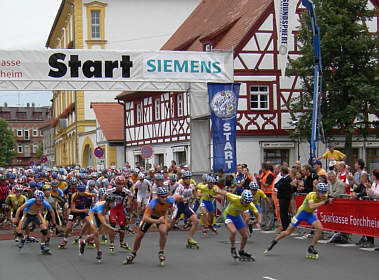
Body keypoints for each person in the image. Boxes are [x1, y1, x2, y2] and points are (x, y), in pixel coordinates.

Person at [264, 183, 332, 259]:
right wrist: (324, 202)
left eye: (325, 192)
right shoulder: (311, 195)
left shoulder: (325, 196)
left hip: (309, 215)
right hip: (301, 213)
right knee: (288, 232)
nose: (324, 194)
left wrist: (331, 200)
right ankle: (274, 241)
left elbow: (331, 198)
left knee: (320, 228)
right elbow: (312, 206)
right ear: (317, 191)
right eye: (322, 192)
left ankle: (311, 247)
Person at [123, 186, 182, 266]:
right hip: (150, 217)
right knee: (139, 235)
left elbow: (177, 196)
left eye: (166, 196)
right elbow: (145, 218)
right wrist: (157, 221)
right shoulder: (153, 203)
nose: (165, 198)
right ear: (158, 197)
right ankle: (133, 253)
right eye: (162, 197)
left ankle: (161, 252)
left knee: (163, 231)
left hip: (161, 216)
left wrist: (183, 199)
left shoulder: (170, 199)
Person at [216, 189, 262, 261]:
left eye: (249, 202)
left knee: (245, 236)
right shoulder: (235, 198)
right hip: (228, 215)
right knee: (233, 231)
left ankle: (241, 251)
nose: (247, 204)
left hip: (237, 217)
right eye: (246, 202)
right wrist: (216, 190)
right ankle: (233, 248)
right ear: (242, 199)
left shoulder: (250, 204)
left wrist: (256, 222)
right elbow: (225, 193)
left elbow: (258, 215)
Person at [82, 194, 121, 263]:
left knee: (99, 232)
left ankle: (84, 242)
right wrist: (114, 229)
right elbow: (104, 224)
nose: (113, 203)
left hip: (103, 213)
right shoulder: (100, 208)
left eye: (113, 202)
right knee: (96, 232)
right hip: (93, 214)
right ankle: (99, 251)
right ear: (108, 202)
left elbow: (111, 216)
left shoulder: (112, 204)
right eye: (112, 202)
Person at [15, 190, 56, 255]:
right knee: (19, 232)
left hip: (37, 214)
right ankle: (23, 239)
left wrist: (54, 222)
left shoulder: (45, 203)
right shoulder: (30, 201)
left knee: (45, 230)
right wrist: (16, 218)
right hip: (27, 214)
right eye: (39, 201)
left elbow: (52, 211)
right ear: (35, 199)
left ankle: (43, 246)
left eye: (42, 200)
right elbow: (19, 209)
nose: (40, 202)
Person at [169, 171, 199, 249]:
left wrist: (196, 198)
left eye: (189, 178)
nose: (188, 180)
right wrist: (183, 198)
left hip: (185, 207)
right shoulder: (180, 187)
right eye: (186, 178)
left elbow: (194, 191)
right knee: (171, 226)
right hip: (178, 207)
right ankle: (164, 234)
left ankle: (190, 239)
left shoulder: (191, 186)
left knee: (195, 220)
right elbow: (175, 198)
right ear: (183, 179)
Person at [275, 166, 292, 231]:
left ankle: (286, 227)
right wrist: (278, 185)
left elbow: (281, 186)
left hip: (285, 197)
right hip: (281, 197)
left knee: (284, 213)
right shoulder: (283, 178)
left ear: (282, 172)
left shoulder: (287, 178)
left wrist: (279, 186)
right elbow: (276, 185)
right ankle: (284, 226)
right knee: (282, 212)